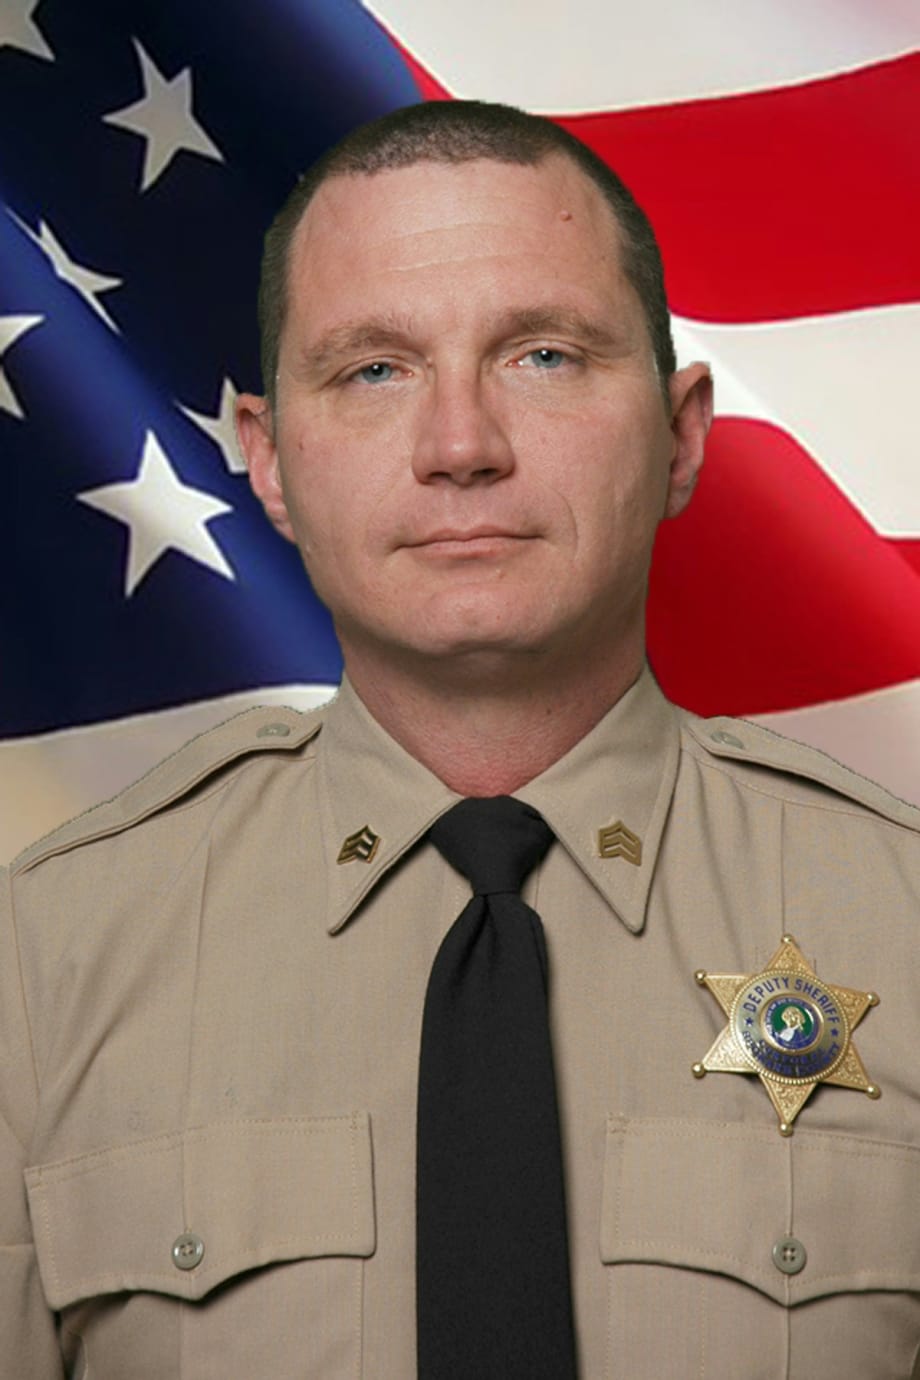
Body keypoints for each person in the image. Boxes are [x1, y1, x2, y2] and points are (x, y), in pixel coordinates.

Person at [2, 100, 918, 1379]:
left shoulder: (902, 920)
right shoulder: (38, 967)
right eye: (373, 370)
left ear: (679, 434)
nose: (459, 447)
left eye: (541, 355)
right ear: (268, 462)